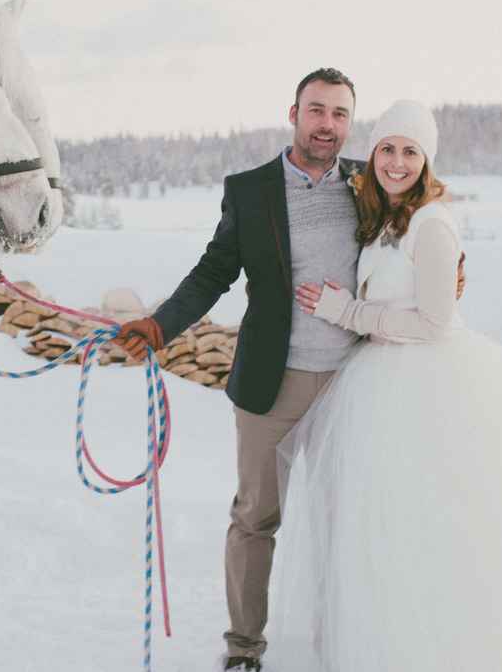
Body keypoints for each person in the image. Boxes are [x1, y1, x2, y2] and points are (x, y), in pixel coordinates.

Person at [112, 71, 463, 671]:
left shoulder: (369, 177)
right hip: (271, 385)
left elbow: (419, 227)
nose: (328, 125)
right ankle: (244, 647)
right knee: (255, 519)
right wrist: (161, 325)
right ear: (294, 113)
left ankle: (345, 640)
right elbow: (212, 271)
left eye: (340, 114)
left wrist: (454, 266)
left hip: (354, 381)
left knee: (349, 520)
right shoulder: (249, 191)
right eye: (316, 110)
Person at [268, 100, 502, 671]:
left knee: (428, 527)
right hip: (376, 380)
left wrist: (346, 311)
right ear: (373, 153)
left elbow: (432, 323)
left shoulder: (432, 224)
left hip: (423, 388)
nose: (397, 162)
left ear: (427, 161)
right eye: (387, 148)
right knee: (380, 534)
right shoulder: (383, 217)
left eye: (410, 151)